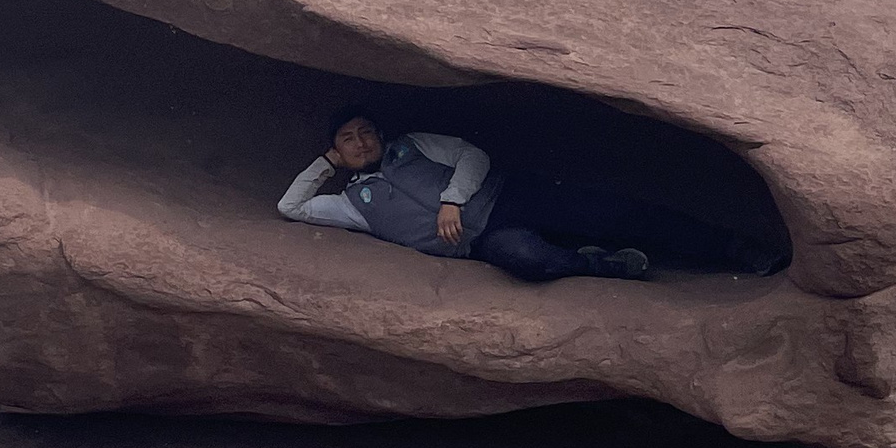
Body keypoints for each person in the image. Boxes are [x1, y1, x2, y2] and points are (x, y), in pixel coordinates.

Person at [277, 105, 692, 284]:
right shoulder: (352, 204)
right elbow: (290, 206)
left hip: (508, 195)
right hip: (480, 242)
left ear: (380, 134)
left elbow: (471, 154)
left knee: (608, 213)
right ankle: (603, 265)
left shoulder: (411, 145)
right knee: (529, 260)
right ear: (339, 150)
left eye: (366, 132)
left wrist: (452, 199)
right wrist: (327, 163)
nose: (360, 143)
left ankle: (732, 247)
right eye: (347, 139)